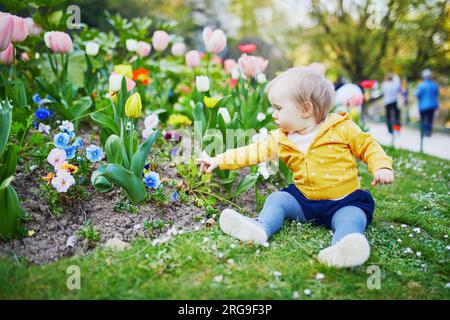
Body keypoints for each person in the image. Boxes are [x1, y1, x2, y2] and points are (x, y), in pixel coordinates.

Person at [197, 67, 394, 268]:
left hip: (343, 201)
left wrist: (381, 166)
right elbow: (252, 152)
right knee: (278, 199)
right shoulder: (281, 139)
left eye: (278, 108)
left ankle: (345, 246)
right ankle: (260, 227)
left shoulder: (341, 128)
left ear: (306, 109)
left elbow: (368, 146)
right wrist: (219, 160)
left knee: (353, 217)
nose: (273, 114)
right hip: (305, 201)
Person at [416, 69, 439, 137]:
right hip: (432, 105)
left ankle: (424, 131)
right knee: (430, 119)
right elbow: (436, 94)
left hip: (423, 105)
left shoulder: (421, 85)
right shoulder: (434, 85)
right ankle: (429, 132)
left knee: (423, 119)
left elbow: (417, 94)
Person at [381, 73, 402, 137]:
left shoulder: (384, 84)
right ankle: (397, 130)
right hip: (394, 101)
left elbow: (383, 93)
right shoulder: (395, 84)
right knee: (397, 116)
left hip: (387, 102)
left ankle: (390, 131)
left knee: (388, 117)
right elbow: (399, 88)